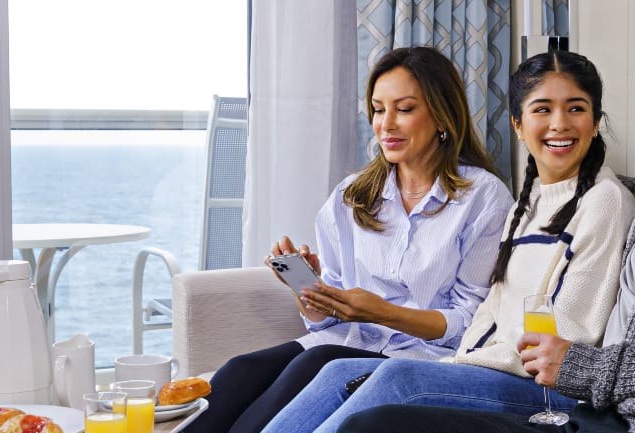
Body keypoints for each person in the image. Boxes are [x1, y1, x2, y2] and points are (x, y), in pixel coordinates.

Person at [337, 32, 635, 433]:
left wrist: (582, 367)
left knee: (380, 418)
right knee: (370, 405)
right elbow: (572, 189)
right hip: (607, 413)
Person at [262, 50, 635, 433]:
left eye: (575, 109)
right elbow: (491, 310)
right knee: (335, 370)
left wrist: (462, 364)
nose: (559, 124)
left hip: (546, 387)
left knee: (398, 379)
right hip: (488, 367)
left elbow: (568, 333)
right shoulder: (530, 202)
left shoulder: (605, 201)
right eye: (543, 109)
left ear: (595, 122)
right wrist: (460, 361)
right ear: (518, 125)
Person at [181, 46, 514, 433]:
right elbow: (324, 322)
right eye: (378, 109)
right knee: (241, 370)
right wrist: (309, 290)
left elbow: (472, 322)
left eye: (404, 109)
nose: (386, 124)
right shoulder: (352, 196)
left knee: (314, 364)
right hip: (345, 341)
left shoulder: (483, 198)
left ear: (443, 115)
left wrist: (381, 312)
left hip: (422, 358)